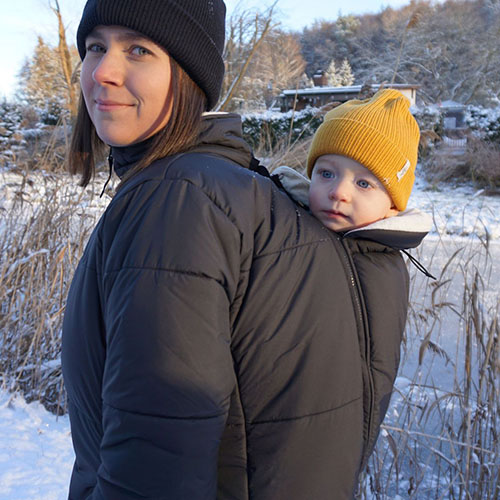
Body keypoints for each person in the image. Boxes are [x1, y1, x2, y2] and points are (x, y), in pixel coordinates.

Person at [62, 1, 430, 499]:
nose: (102, 70)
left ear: (190, 72)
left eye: (139, 49)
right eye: (94, 46)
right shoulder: (239, 189)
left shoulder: (180, 198)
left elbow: (155, 465)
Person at [274, 89, 432, 237]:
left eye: (363, 183)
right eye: (327, 174)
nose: (338, 193)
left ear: (392, 207)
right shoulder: (279, 224)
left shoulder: (380, 264)